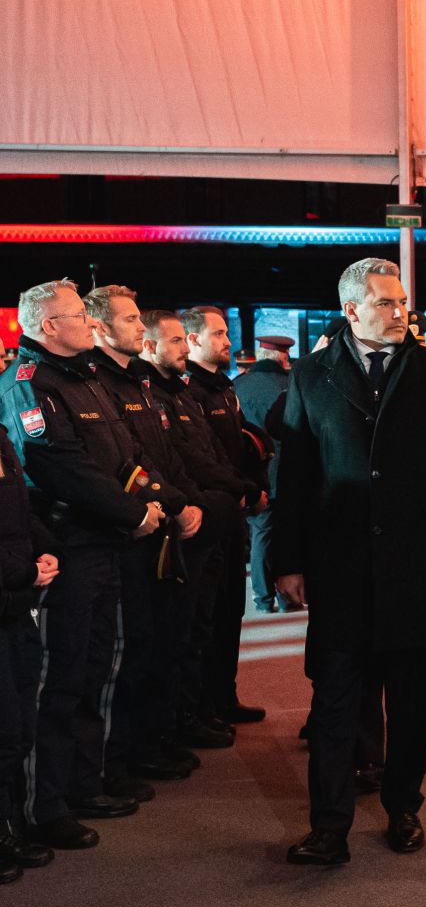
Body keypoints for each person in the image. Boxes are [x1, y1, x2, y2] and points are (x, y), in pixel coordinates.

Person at [273, 257, 426, 866]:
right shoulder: (311, 375)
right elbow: (296, 476)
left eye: (402, 302)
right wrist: (288, 560)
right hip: (339, 573)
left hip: (418, 574)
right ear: (351, 311)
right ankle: (329, 826)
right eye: (387, 303)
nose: (400, 313)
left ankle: (403, 805)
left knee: (416, 703)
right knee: (334, 703)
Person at [0, 280, 164, 850]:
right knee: (61, 676)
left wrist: (142, 502)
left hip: (106, 542)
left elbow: (125, 455)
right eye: (78, 317)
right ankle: (45, 803)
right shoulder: (30, 385)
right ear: (47, 326)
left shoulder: (84, 377)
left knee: (98, 667)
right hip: (68, 544)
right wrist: (130, 513)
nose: (90, 325)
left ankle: (82, 780)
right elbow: (58, 466)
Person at [86, 286, 206, 792]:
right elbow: (122, 462)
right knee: (126, 652)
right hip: (127, 532)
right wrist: (174, 504)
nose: (141, 328)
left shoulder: (138, 382)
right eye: (131, 320)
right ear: (100, 328)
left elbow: (163, 452)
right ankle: (121, 758)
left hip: (156, 526)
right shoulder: (101, 383)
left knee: (160, 640)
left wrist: (184, 499)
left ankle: (150, 741)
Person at [141, 311, 252, 755]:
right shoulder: (157, 393)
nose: (184, 350)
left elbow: (212, 451)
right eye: (176, 342)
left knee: (210, 623)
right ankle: (178, 722)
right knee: (178, 634)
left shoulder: (189, 391)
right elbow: (177, 460)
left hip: (213, 514)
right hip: (185, 521)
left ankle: (205, 706)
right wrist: (230, 493)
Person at [181, 305, 268, 727]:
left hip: (233, 513)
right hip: (209, 517)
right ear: (193, 339)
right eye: (218, 334)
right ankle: (202, 706)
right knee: (205, 617)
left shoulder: (224, 387)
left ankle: (224, 696)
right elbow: (199, 458)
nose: (228, 342)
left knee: (231, 609)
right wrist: (244, 489)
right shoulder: (188, 391)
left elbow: (238, 448)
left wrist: (253, 485)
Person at [0, 416, 59, 882]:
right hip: (12, 590)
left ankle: (12, 823)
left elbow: (22, 513)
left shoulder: (0, 438)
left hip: (16, 604)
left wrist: (47, 549)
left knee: (18, 723)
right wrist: (25, 571)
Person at [233, 333, 294, 613]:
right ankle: (286, 596)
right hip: (285, 473)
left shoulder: (237, 386)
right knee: (286, 537)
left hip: (253, 475)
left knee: (261, 535)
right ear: (283, 356)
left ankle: (262, 597)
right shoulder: (289, 384)